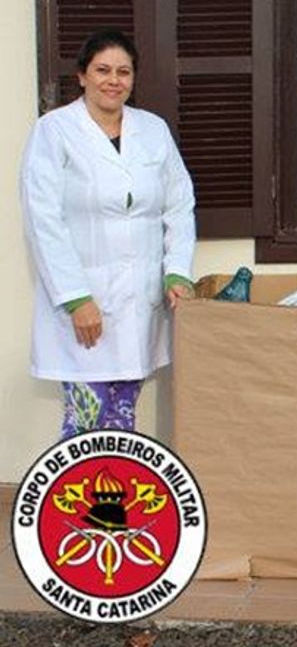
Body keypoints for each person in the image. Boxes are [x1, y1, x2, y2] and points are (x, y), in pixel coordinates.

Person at [20, 29, 196, 439]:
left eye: (123, 72)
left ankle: (116, 483)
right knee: (84, 422)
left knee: (121, 421)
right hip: (84, 306)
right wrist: (75, 298)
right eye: (102, 70)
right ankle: (79, 486)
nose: (113, 80)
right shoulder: (54, 131)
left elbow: (179, 204)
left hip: (139, 302)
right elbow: (43, 220)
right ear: (82, 76)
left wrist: (177, 271)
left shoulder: (153, 130)